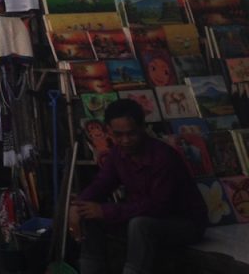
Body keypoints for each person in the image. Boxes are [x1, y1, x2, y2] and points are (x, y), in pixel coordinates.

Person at [70, 98, 207, 274]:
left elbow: (158, 206)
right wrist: (78, 206)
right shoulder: (118, 154)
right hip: (142, 215)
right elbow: (101, 184)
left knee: (139, 225)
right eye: (118, 135)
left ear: (142, 128)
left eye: (131, 134)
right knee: (90, 216)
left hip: (183, 223)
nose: (125, 140)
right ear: (109, 132)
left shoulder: (163, 157)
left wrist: (105, 211)